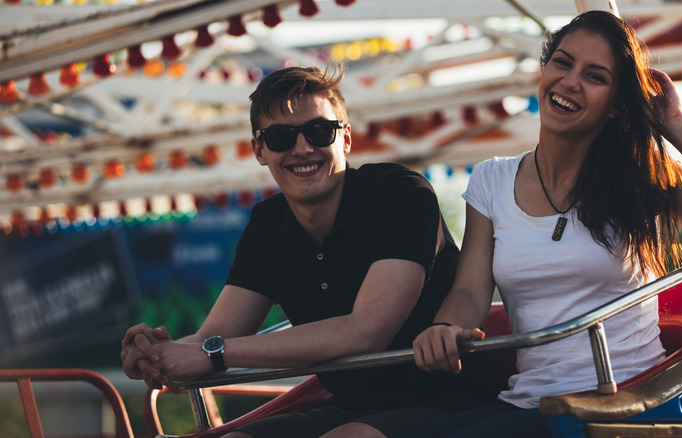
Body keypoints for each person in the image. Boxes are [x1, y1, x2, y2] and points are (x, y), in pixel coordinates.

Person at [402, 10, 682, 438]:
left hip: (624, 399)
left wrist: (675, 126)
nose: (570, 82)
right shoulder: (491, 180)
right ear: (544, 70)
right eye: (562, 63)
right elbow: (469, 291)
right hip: (533, 399)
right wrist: (444, 328)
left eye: (595, 76)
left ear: (618, 105)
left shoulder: (641, 176)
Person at [120, 66, 499, 438]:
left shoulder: (400, 193)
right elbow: (214, 336)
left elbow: (366, 332)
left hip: (450, 399)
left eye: (319, 131)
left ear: (345, 138)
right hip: (348, 406)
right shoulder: (267, 224)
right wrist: (157, 352)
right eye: (281, 137)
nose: (302, 149)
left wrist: (212, 354)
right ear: (259, 150)